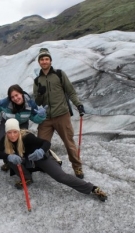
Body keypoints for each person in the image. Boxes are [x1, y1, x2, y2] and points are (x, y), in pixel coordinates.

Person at [0, 119, 107, 202]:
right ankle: (27, 178)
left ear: (18, 131)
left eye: (15, 132)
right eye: (9, 132)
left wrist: (41, 151)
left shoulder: (27, 137)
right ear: (6, 133)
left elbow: (46, 143)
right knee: (11, 160)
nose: (12, 135)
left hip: (40, 159)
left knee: (61, 177)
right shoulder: (5, 140)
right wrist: (8, 156)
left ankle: (92, 188)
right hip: (25, 161)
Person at [33, 48, 86, 179]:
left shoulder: (59, 74)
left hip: (62, 114)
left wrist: (78, 104)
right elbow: (37, 101)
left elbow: (71, 91)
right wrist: (40, 93)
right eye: (42, 59)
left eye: (46, 59)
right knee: (41, 143)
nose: (44, 61)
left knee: (69, 143)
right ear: (39, 62)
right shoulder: (37, 80)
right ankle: (46, 165)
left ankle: (77, 167)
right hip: (46, 118)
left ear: (50, 60)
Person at [0, 84, 47, 171]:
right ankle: (8, 161)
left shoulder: (30, 104)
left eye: (17, 95)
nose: (15, 98)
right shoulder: (6, 102)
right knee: (3, 141)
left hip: (22, 123)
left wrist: (41, 116)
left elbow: (35, 119)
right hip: (7, 123)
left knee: (22, 142)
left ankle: (22, 162)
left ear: (21, 93)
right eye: (12, 97)